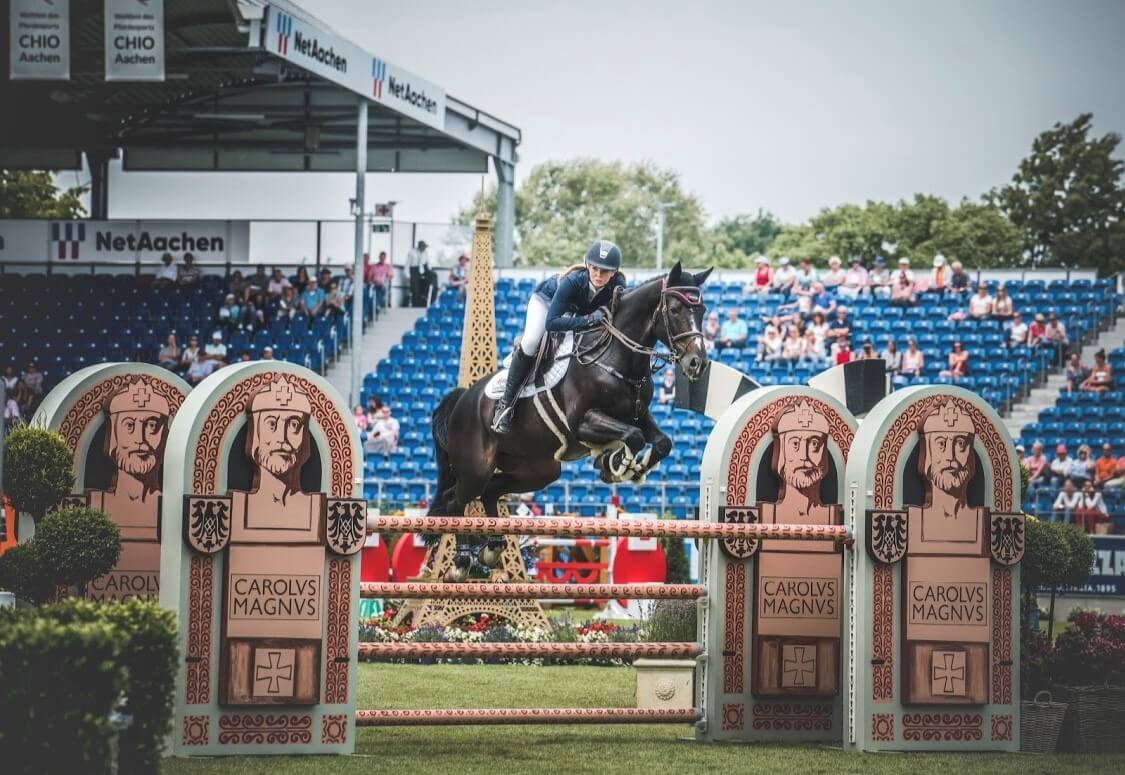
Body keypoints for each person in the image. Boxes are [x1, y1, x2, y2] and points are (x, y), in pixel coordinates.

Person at [491, 240, 626, 434]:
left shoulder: (618, 285)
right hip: (546, 303)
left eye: (604, 271)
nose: (598, 274)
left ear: (614, 272)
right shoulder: (572, 281)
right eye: (594, 268)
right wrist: (588, 320)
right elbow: (552, 323)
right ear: (588, 265)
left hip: (576, 312)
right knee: (530, 342)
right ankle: (504, 406)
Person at [406, 240, 430, 307]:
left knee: (422, 288)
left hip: (423, 270)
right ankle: (415, 305)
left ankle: (423, 303)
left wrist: (428, 271)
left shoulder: (425, 253)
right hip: (414, 270)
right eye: (423, 247)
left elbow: (427, 262)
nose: (424, 248)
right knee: (415, 289)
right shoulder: (412, 252)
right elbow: (407, 264)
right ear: (419, 247)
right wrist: (408, 275)